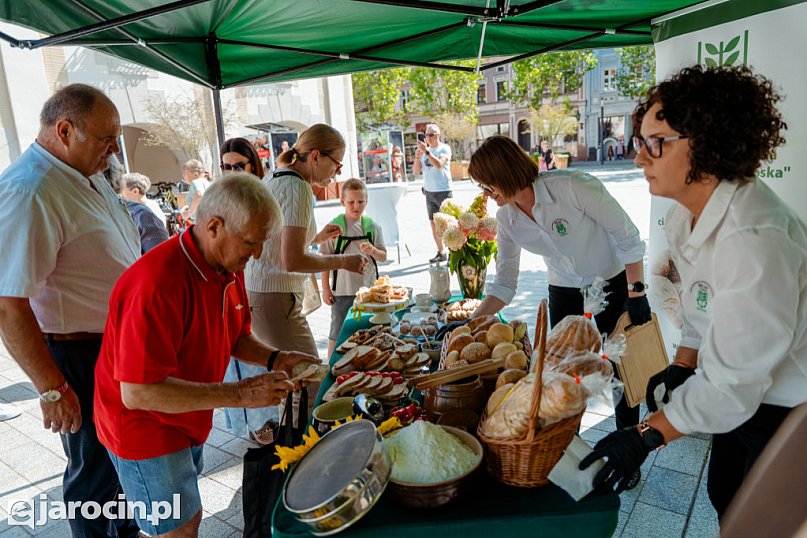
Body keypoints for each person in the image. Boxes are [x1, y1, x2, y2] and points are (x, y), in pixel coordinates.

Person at [578, 66, 807, 518]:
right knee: (725, 496)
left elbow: (732, 383)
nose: (638, 158)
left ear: (704, 142)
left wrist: (646, 434)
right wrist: (684, 363)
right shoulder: (687, 216)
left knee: (763, 521)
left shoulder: (754, 237)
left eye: (654, 143)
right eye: (638, 142)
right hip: (745, 399)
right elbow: (703, 305)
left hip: (788, 409)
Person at [94, 175, 316, 536]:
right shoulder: (156, 284)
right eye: (250, 242)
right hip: (144, 424)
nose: (256, 254)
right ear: (213, 226)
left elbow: (235, 336)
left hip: (184, 416)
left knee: (186, 516)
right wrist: (241, 394)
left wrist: (275, 359)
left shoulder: (228, 265)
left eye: (261, 243)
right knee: (179, 528)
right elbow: (137, 392)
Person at [468, 135, 652, 488]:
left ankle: (629, 451)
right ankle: (568, 449)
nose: (485, 192)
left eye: (486, 183)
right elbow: (505, 283)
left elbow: (628, 236)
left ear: (502, 173)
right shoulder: (507, 219)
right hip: (564, 291)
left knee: (619, 372)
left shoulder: (573, 187)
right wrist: (472, 322)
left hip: (611, 283)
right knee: (564, 375)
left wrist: (636, 293)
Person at [0, 83, 140, 537]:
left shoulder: (85, 171)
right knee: (95, 481)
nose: (115, 149)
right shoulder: (31, 189)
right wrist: (52, 388)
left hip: (115, 346)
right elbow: (8, 304)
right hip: (80, 355)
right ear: (65, 131)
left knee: (122, 470)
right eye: (107, 138)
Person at [228, 124, 367, 444]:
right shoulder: (299, 188)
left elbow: (280, 244)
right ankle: (304, 456)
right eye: (337, 163)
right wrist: (342, 262)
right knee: (311, 382)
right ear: (316, 156)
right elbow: (292, 260)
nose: (337, 173)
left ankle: (293, 453)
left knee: (295, 383)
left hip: (264, 295)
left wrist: (316, 239)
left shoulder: (277, 177)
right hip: (273, 298)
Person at [320, 178, 387, 358]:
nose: (356, 206)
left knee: (370, 328)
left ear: (366, 201)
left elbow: (383, 256)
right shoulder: (334, 228)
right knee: (338, 330)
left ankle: (371, 360)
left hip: (368, 291)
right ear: (342, 202)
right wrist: (325, 289)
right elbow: (324, 260)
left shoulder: (372, 227)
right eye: (351, 202)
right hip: (342, 291)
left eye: (360, 202)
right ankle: (332, 364)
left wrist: (372, 250)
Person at [413, 123, 453, 263]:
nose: (428, 138)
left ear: (438, 135)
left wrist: (427, 152)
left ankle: (452, 252)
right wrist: (418, 156)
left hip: (443, 191)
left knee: (448, 224)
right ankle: (441, 252)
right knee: (434, 225)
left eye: (431, 134)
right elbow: (416, 172)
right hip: (429, 192)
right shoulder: (424, 151)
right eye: (426, 135)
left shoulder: (444, 148)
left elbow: (438, 165)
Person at [180, 159, 211, 223]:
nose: (183, 176)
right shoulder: (206, 182)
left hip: (202, 222)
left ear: (195, 174)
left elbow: (199, 195)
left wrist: (188, 213)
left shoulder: (196, 182)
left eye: (185, 174)